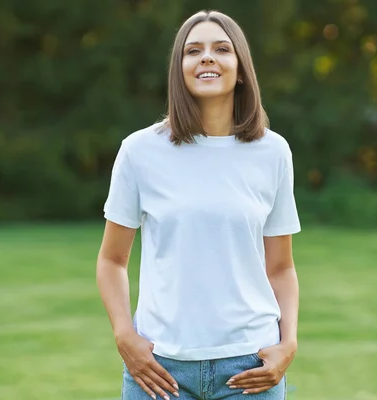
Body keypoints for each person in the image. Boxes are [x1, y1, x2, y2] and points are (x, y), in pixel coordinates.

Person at [97, 10, 301, 400]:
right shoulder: (139, 151)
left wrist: (287, 343)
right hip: (157, 369)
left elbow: (281, 267)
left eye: (221, 48)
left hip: (250, 368)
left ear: (240, 69)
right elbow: (112, 261)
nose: (206, 57)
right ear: (180, 70)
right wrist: (125, 336)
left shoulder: (273, 152)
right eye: (193, 51)